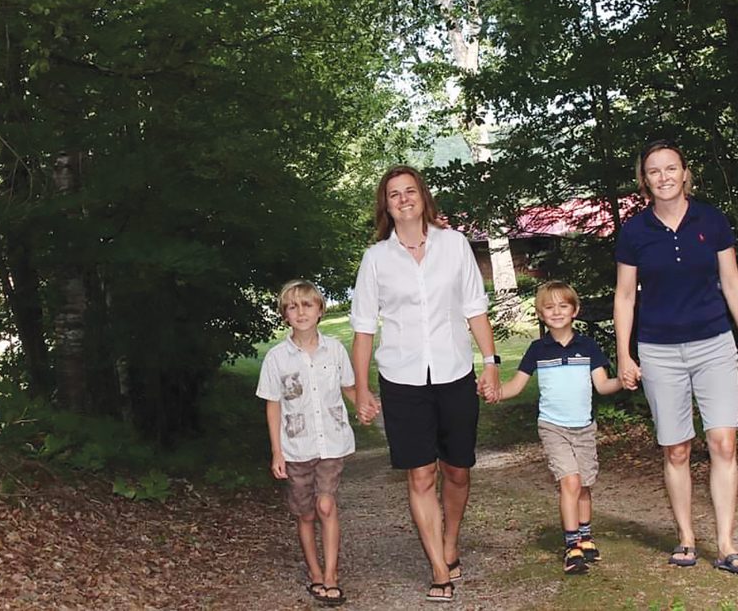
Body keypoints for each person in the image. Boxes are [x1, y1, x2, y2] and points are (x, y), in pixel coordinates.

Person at [349, 165, 500, 603]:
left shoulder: (454, 246)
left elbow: (475, 308)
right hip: (402, 379)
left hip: (454, 372)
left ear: (423, 197)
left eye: (409, 191)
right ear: (386, 205)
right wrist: (361, 389)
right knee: (420, 474)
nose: (403, 199)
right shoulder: (375, 259)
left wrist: (490, 363)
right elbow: (362, 330)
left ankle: (451, 540)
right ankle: (438, 566)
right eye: (393, 194)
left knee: (457, 470)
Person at [613, 139, 738, 575]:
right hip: (659, 350)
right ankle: (685, 538)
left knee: (723, 441)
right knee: (676, 449)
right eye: (654, 171)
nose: (664, 177)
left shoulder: (711, 220)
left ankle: (727, 545)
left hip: (714, 343)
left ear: (685, 173)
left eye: (671, 168)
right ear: (645, 180)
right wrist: (625, 354)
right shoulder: (635, 232)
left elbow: (732, 281)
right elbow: (625, 297)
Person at [481, 280, 621, 574]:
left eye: (563, 306)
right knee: (569, 482)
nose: (556, 312)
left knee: (583, 486)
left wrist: (624, 379)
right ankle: (572, 546)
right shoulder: (537, 350)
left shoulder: (588, 346)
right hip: (553, 427)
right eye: (549, 307)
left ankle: (585, 536)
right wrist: (492, 392)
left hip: (584, 427)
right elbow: (515, 387)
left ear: (575, 310)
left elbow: (603, 385)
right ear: (541, 314)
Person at [257, 279, 356, 606]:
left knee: (325, 504)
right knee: (306, 513)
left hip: (331, 443)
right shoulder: (276, 358)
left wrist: (365, 403)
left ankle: (331, 575)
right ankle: (314, 571)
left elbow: (349, 388)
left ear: (320, 310)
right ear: (285, 314)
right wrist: (277, 452)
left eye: (307, 305)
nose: (301, 312)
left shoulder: (335, 350)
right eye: (293, 306)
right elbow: (273, 404)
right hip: (296, 447)